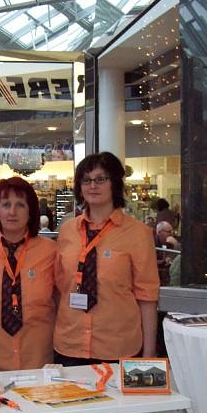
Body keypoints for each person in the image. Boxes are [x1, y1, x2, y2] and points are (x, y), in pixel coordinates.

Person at [54, 152, 160, 365]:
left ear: (115, 183)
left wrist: (149, 354)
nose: (93, 186)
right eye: (86, 180)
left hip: (118, 347)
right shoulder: (67, 231)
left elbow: (147, 296)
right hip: (70, 344)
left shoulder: (138, 233)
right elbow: (60, 287)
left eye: (101, 179)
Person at [0, 177, 57, 371]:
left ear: (31, 211)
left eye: (20, 205)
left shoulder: (51, 252)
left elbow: (62, 302)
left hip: (40, 363)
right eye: (6, 204)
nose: (12, 212)